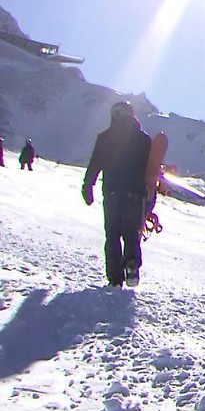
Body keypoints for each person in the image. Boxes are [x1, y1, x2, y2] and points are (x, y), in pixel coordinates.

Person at [82, 101, 153, 289]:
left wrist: (87, 187)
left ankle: (115, 278)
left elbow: (95, 164)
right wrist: (150, 197)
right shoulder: (143, 140)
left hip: (112, 194)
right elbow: (150, 171)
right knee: (131, 234)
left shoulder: (104, 138)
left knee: (112, 236)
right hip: (134, 195)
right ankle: (131, 263)